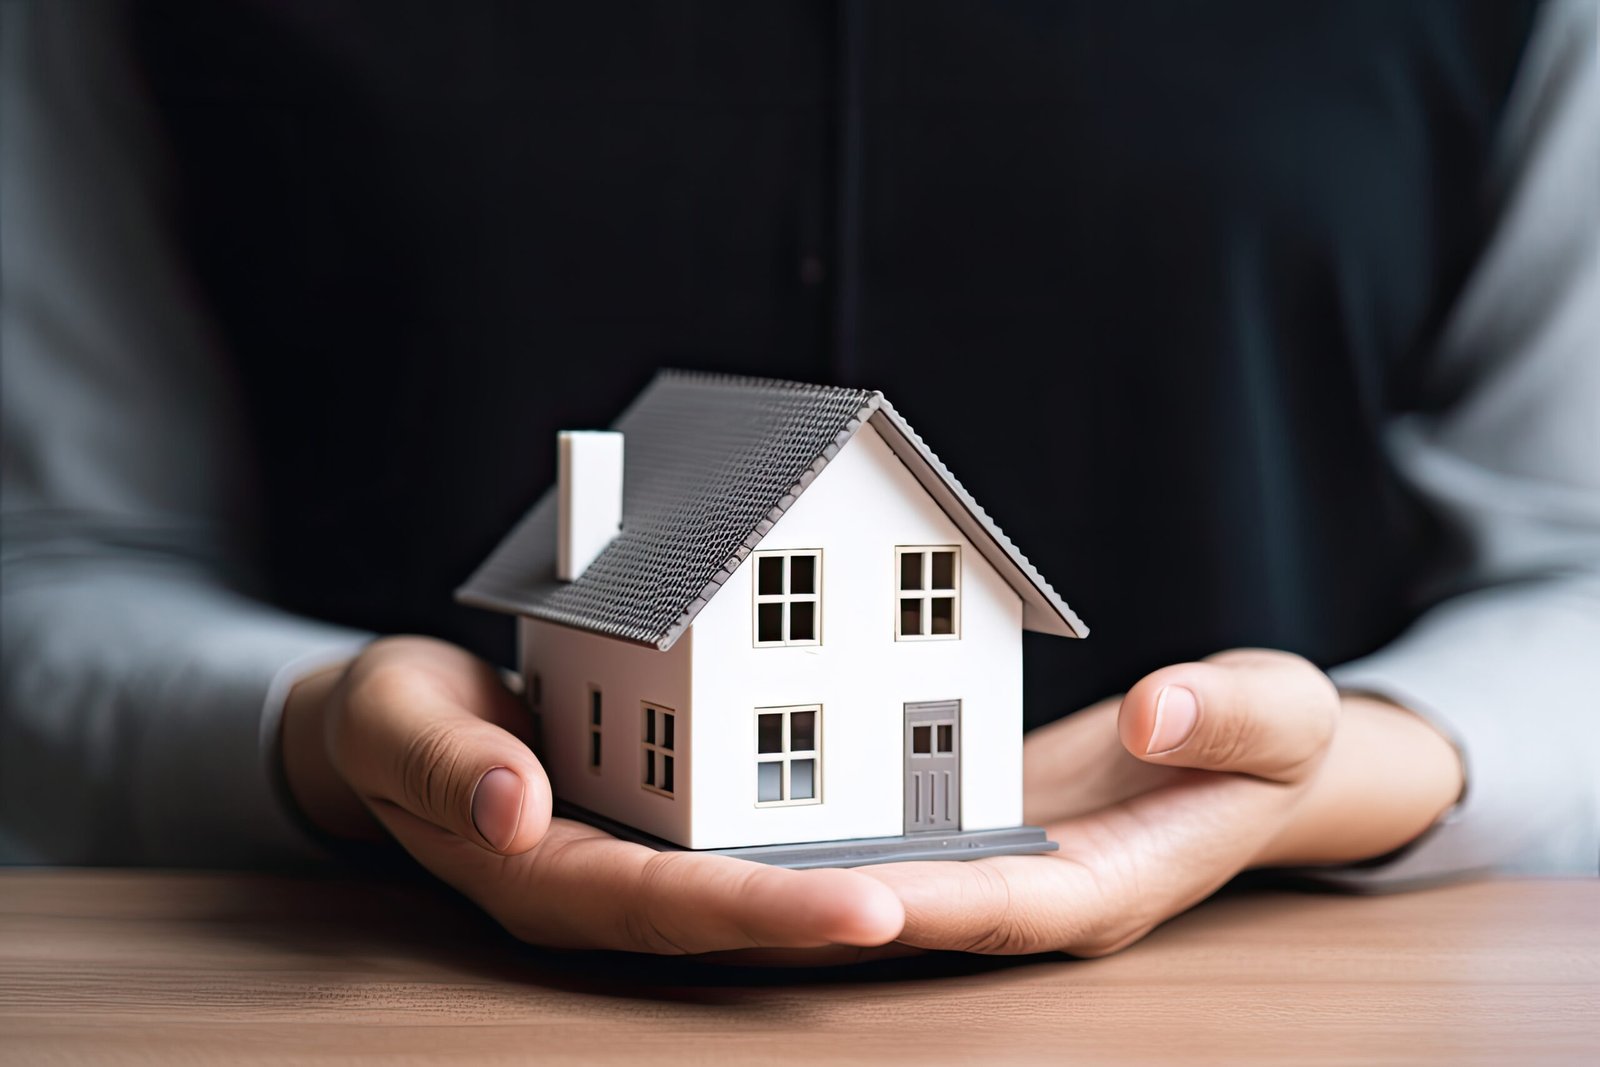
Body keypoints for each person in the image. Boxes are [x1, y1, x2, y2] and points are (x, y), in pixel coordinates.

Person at [2, 1, 1595, 958]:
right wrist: (316, 731)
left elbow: (1574, 563)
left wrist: (1378, 764)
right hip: (368, 993)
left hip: (1288, 1010)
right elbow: (61, 556)